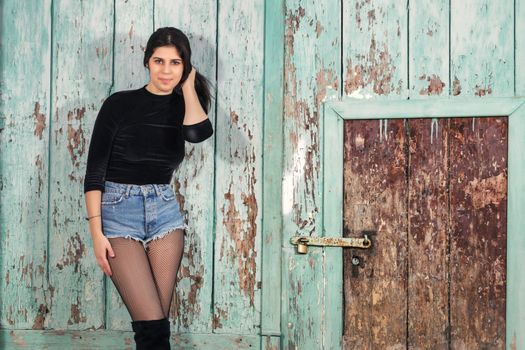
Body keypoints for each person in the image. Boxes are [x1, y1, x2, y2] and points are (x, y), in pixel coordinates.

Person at [83, 27, 213, 350]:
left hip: (164, 213)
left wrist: (189, 86)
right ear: (147, 61)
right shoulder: (118, 105)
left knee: (156, 328)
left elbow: (198, 134)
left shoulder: (184, 107)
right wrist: (96, 233)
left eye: (175, 63)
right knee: (151, 326)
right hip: (118, 211)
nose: (166, 70)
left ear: (185, 68)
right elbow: (94, 172)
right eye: (159, 61)